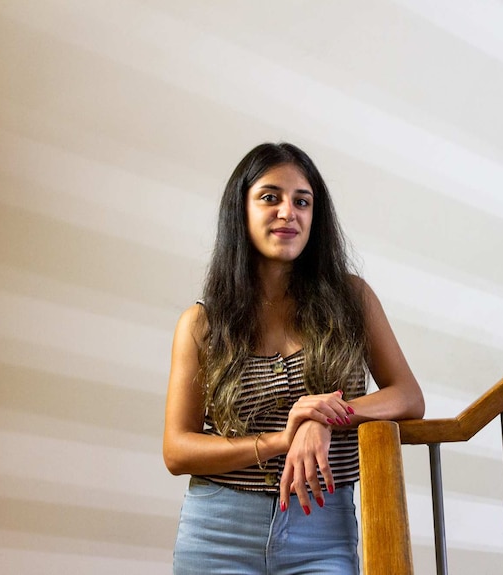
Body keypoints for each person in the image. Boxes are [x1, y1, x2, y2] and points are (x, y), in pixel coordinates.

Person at [163, 142, 425, 574]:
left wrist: (324, 416)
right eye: (270, 197)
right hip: (218, 529)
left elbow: (408, 397)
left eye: (302, 201)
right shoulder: (201, 323)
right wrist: (284, 440)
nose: (288, 212)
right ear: (240, 210)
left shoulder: (351, 298)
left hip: (321, 524)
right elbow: (177, 449)